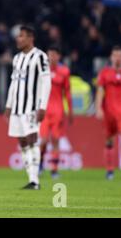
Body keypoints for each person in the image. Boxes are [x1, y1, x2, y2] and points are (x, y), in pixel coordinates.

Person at [4, 25, 51, 190]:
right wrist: (8, 106)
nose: (18, 39)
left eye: (22, 36)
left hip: (31, 107)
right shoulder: (17, 58)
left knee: (32, 140)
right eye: (18, 36)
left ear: (31, 38)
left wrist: (42, 107)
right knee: (22, 141)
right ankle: (31, 178)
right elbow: (13, 83)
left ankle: (35, 180)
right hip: (17, 108)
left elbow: (46, 82)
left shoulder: (40, 57)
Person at [95, 46, 121, 180]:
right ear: (111, 58)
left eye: (120, 55)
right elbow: (100, 91)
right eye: (115, 55)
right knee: (109, 140)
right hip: (109, 110)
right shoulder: (104, 73)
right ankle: (110, 171)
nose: (117, 58)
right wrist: (98, 108)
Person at [39, 46, 73, 179]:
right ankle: (41, 164)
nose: (51, 57)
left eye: (53, 55)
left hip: (58, 110)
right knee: (44, 140)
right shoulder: (41, 70)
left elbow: (68, 93)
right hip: (44, 110)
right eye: (49, 55)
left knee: (56, 140)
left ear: (58, 56)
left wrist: (70, 111)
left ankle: (54, 169)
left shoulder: (64, 71)